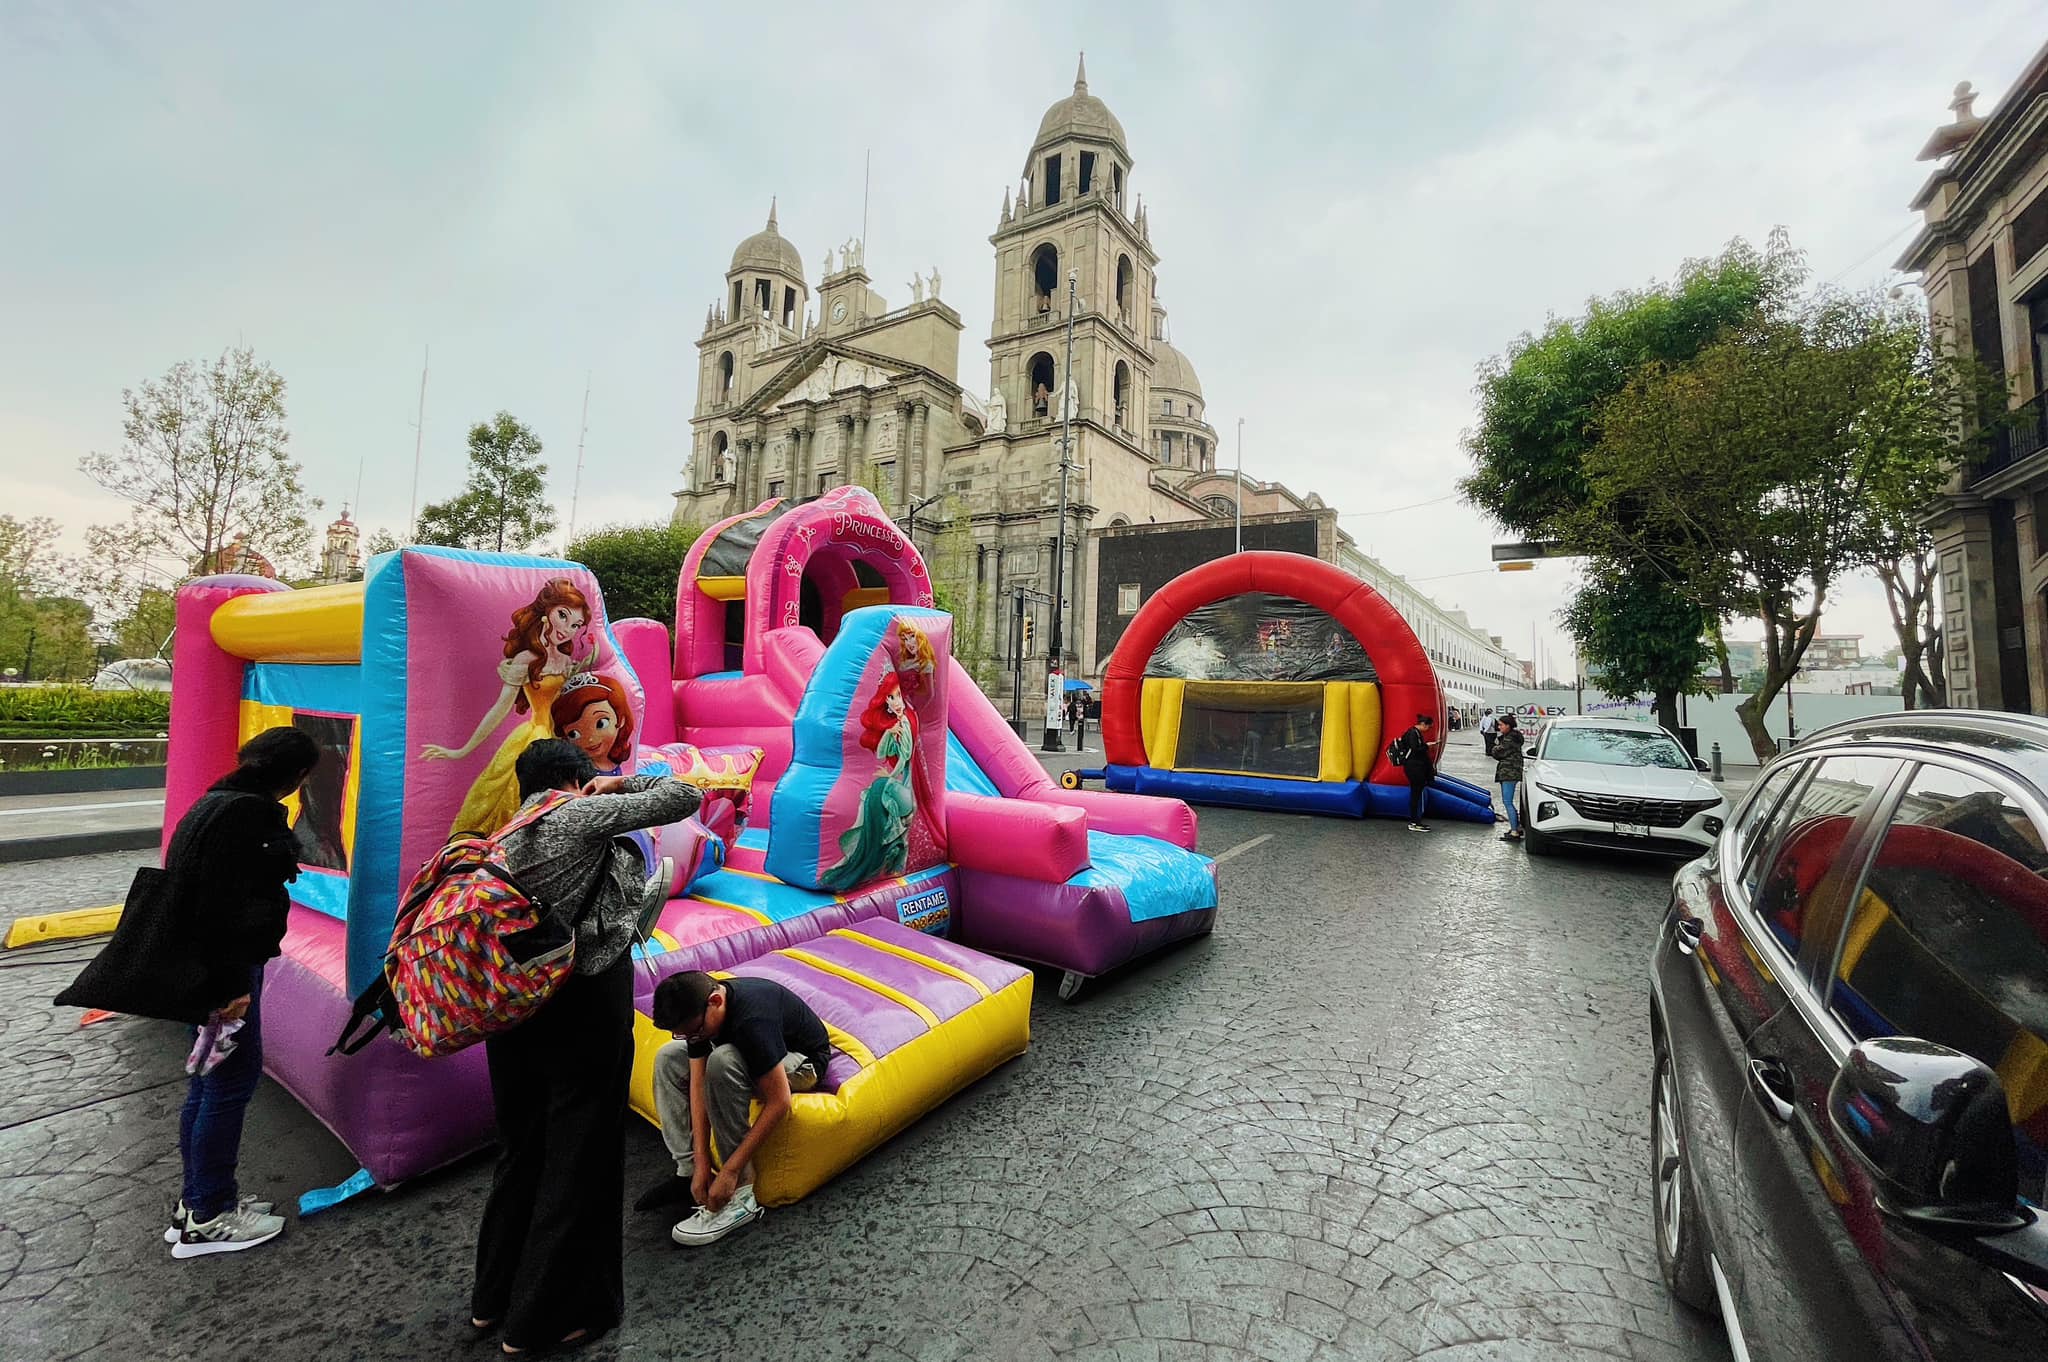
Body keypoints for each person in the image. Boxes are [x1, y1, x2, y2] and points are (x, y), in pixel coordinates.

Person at [470, 739, 698, 1355]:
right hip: (581, 1002)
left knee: (522, 1151)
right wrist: (615, 786)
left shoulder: (507, 833)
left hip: (514, 1009)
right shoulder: (572, 814)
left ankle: (493, 1301)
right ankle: (548, 1318)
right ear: (575, 777)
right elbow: (686, 794)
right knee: (583, 1153)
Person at [167, 726, 319, 1257]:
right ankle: (209, 1217)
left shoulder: (214, 802)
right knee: (228, 1083)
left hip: (199, 968)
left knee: (207, 1082)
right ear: (298, 776)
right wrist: (230, 985)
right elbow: (225, 907)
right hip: (223, 975)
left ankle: (198, 1200)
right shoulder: (249, 816)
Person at [642, 970, 833, 1247]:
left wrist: (730, 1170)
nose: (693, 1037)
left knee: (722, 1061)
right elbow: (697, 1084)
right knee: (668, 1058)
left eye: (695, 1031)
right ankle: (686, 1174)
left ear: (716, 1001)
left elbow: (780, 1102)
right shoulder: (701, 1012)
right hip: (751, 1050)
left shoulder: (751, 1020)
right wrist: (701, 1163)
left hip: (801, 1062)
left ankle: (741, 1196)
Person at [1395, 712, 1437, 832]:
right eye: (1428, 726)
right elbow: (1416, 749)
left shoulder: (1413, 732)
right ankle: (1414, 821)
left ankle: (1415, 820)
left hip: (1413, 766)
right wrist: (1427, 746)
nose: (1428, 729)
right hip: (1414, 767)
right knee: (1416, 793)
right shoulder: (1413, 733)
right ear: (1423, 724)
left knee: (1416, 793)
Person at [1494, 713, 1526, 843]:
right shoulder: (1513, 737)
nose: (1499, 727)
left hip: (1508, 772)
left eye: (1501, 725)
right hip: (1511, 772)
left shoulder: (1509, 740)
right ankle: (1516, 827)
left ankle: (1514, 832)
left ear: (1508, 725)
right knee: (1509, 801)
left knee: (1507, 801)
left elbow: (1497, 752)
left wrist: (1495, 746)